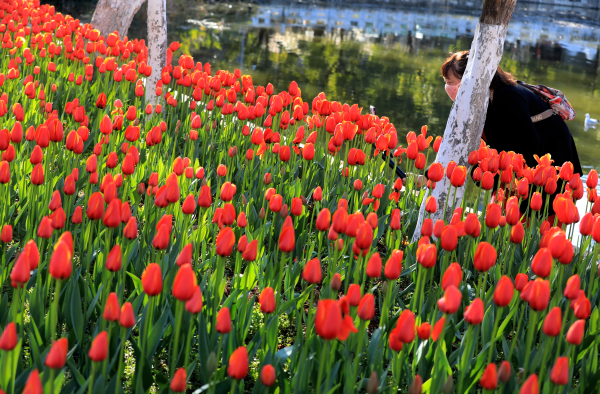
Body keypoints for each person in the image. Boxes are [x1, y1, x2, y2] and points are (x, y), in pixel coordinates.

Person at [429, 50, 583, 217]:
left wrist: (514, 178)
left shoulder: (506, 96)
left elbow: (529, 142)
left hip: (549, 157)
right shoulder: (476, 101)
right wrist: (430, 174)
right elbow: (457, 141)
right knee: (507, 215)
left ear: (471, 79)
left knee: (539, 216)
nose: (448, 88)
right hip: (520, 161)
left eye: (450, 82)